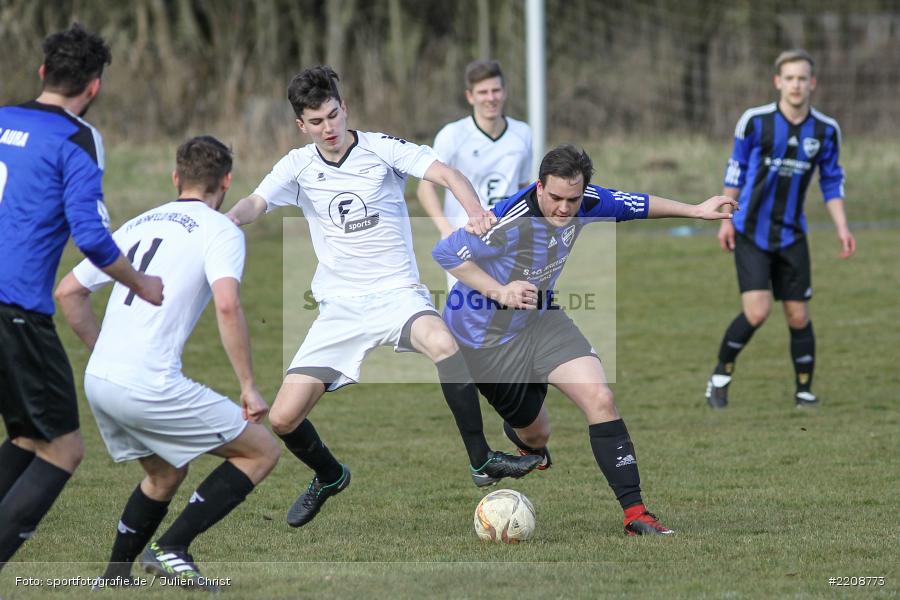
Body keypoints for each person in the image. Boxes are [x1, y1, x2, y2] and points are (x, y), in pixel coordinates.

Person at [226, 66, 542, 529]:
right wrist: (228, 219)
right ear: (301, 125)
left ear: (344, 107)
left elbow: (447, 173)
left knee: (444, 343)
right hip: (339, 309)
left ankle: (481, 460)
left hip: (398, 295)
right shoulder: (296, 167)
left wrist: (473, 210)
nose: (328, 128)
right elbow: (255, 202)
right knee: (283, 418)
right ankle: (329, 476)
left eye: (333, 115)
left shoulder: (382, 149)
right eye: (316, 122)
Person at [432, 144, 736, 535]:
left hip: (541, 321)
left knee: (600, 398)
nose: (563, 208)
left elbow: (636, 204)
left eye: (572, 199)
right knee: (536, 434)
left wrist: (696, 209)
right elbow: (446, 252)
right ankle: (526, 440)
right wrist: (500, 291)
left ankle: (636, 514)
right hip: (486, 341)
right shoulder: (508, 218)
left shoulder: (588, 200)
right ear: (539, 187)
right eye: (555, 197)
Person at [54, 136, 279, 589]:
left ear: (176, 177)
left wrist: (105, 351)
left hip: (100, 381)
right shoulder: (221, 230)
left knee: (165, 472)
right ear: (227, 182)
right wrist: (249, 385)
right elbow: (230, 306)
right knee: (262, 450)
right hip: (147, 383)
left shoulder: (139, 222)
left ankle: (115, 577)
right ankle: (173, 547)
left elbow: (68, 293)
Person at [0, 23, 164, 569]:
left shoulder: (2, 120)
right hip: (17, 311)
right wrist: (142, 283)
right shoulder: (76, 137)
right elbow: (91, 237)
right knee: (64, 448)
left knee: (27, 438)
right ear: (94, 87)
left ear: (43, 72)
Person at [705, 49, 855, 410]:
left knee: (798, 314)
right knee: (757, 312)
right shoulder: (754, 122)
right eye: (789, 78)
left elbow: (831, 181)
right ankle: (719, 378)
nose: (796, 85)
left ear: (812, 83)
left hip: (792, 235)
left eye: (802, 78)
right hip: (751, 232)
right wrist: (725, 217)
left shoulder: (825, 130)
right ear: (778, 82)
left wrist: (842, 227)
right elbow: (736, 170)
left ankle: (804, 391)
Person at [416, 59, 532, 291]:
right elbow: (425, 188)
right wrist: (446, 230)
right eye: (483, 92)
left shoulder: (523, 133)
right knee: (466, 318)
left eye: (496, 90)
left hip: (508, 241)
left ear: (505, 92)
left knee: (512, 311)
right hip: (465, 243)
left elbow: (523, 187)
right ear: (470, 96)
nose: (491, 98)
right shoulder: (453, 135)